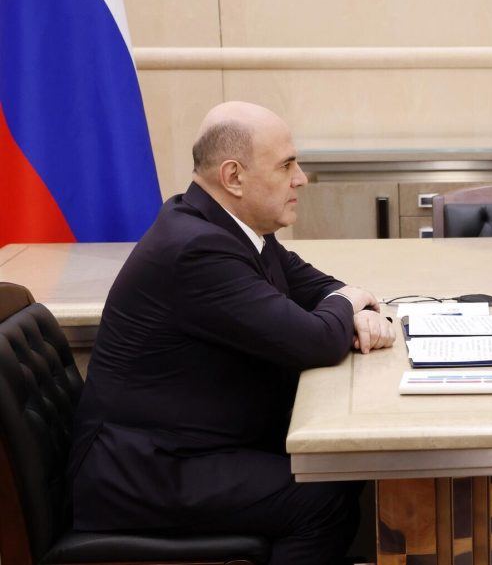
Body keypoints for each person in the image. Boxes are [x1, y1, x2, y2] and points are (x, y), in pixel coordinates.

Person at [67, 101, 395, 565]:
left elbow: (319, 289)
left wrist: (349, 303)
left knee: (341, 471)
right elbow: (315, 341)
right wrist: (351, 303)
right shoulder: (197, 249)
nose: (301, 178)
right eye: (286, 165)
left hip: (190, 445)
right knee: (322, 501)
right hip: (146, 471)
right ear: (234, 176)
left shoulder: (233, 228)